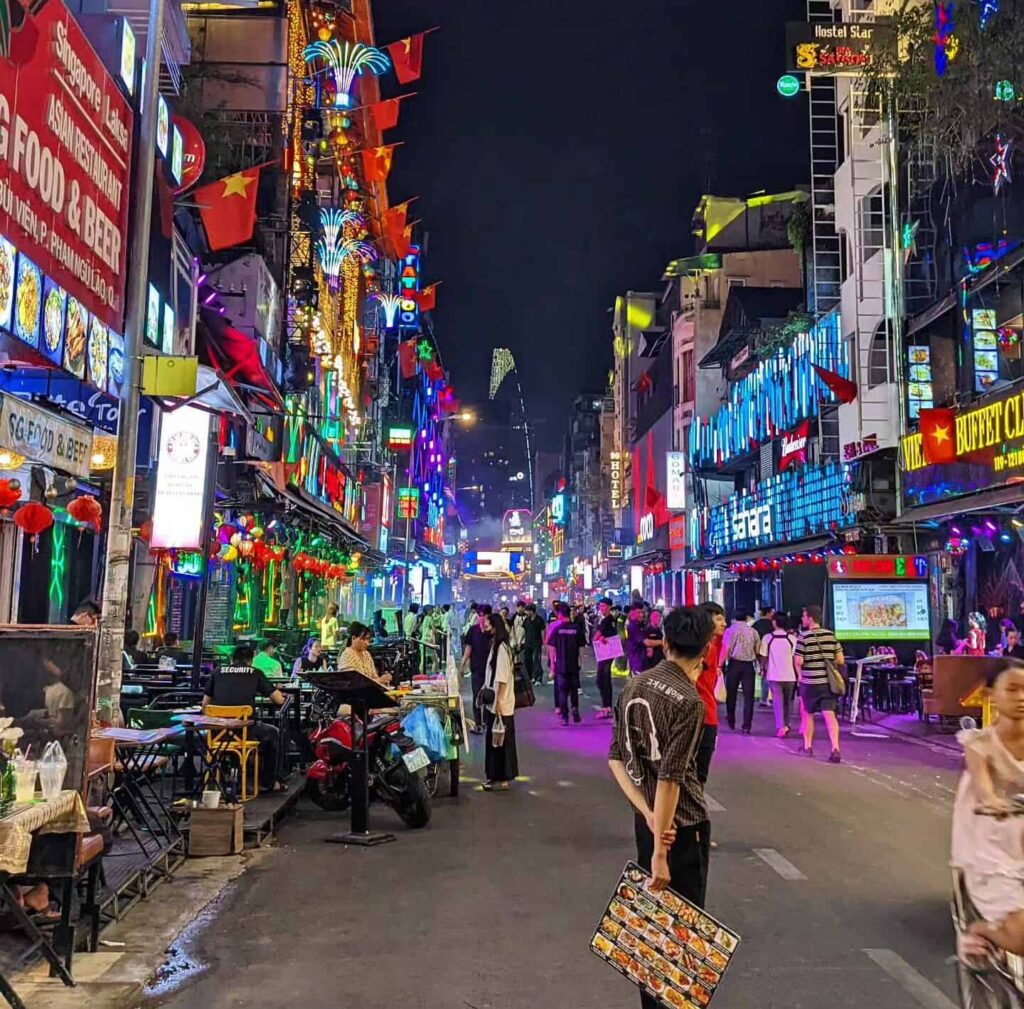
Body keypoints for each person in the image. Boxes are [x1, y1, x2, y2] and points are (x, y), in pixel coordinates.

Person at [608, 604, 714, 1006]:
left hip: (648, 822)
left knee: (653, 927)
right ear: (705, 649)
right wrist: (660, 853)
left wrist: (648, 815)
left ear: (665, 642)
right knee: (683, 933)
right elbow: (671, 779)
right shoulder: (690, 701)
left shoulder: (636, 685)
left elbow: (616, 759)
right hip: (681, 829)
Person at [950, 662, 1024, 957]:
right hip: (993, 843)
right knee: (1021, 937)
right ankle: (980, 931)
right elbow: (983, 787)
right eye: (1013, 689)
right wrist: (993, 802)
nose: (1021, 697)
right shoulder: (979, 742)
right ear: (992, 695)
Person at [203, 643, 287, 791]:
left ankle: (219, 777)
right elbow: (279, 700)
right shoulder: (255, 673)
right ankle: (270, 782)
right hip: (245, 732)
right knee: (274, 733)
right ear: (250, 660)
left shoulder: (217, 672)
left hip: (217, 733)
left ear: (232, 659)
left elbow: (205, 705)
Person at [794, 605, 845, 763]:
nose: (802, 619)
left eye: (804, 616)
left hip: (809, 682)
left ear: (810, 618)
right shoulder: (831, 636)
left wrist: (799, 674)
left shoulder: (804, 637)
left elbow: (799, 660)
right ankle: (835, 748)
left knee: (808, 715)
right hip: (827, 684)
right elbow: (840, 660)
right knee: (829, 715)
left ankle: (808, 746)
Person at [481, 610, 518, 791]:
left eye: (487, 624)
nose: (484, 627)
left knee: (498, 743)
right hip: (497, 704)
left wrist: (497, 707)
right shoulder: (497, 646)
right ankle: (500, 778)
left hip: (501, 706)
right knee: (500, 742)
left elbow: (501, 680)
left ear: (495, 627)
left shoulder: (502, 649)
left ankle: (497, 778)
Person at [695, 602, 725, 785]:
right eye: (719, 619)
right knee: (698, 774)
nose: (724, 624)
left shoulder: (712, 645)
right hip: (703, 716)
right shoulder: (707, 648)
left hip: (704, 713)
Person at [760, 612, 797, 738]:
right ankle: (787, 724)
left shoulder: (767, 638)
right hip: (791, 676)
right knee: (789, 702)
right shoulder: (792, 639)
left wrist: (762, 670)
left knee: (777, 702)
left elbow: (764, 657)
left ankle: (780, 726)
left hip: (774, 675)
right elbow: (796, 659)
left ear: (774, 622)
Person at [721, 611, 759, 733]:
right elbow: (757, 650)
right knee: (749, 697)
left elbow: (726, 649)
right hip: (748, 665)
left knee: (731, 694)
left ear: (734, 618)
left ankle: (731, 719)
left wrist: (720, 665)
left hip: (734, 664)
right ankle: (747, 725)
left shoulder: (730, 631)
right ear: (746, 618)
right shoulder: (753, 631)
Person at [546, 602, 584, 725]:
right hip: (573, 664)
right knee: (574, 689)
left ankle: (564, 717)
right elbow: (581, 647)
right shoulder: (576, 629)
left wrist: (552, 665)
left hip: (561, 665)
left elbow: (552, 648)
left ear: (561, 615)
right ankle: (575, 708)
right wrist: (580, 661)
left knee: (562, 691)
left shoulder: (557, 630)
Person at [460, 604, 492, 734]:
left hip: (490, 668)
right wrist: (462, 665)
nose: (482, 618)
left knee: (489, 696)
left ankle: (487, 722)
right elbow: (468, 649)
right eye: (480, 615)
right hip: (477, 668)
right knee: (476, 696)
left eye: (484, 615)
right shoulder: (473, 630)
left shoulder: (492, 631)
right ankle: (478, 723)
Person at [593, 597, 618, 719]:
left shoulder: (608, 620)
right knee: (603, 680)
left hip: (606, 653)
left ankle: (606, 708)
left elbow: (597, 636)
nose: (601, 609)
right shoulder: (608, 620)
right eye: (600, 606)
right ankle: (607, 707)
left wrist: (600, 638)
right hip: (605, 653)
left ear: (609, 607)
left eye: (603, 606)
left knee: (603, 680)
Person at [753, 607, 775, 706]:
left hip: (758, 651)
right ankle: (767, 697)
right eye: (773, 612)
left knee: (764, 673)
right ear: (769, 613)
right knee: (770, 674)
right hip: (771, 652)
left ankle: (763, 696)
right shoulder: (772, 624)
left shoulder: (756, 624)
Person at [521, 604, 546, 685]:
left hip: (537, 643)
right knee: (527, 659)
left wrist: (544, 642)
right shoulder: (526, 620)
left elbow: (543, 631)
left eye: (527, 611)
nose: (526, 612)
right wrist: (521, 641)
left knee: (536, 660)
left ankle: (538, 678)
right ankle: (531, 676)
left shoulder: (539, 620)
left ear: (531, 611)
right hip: (528, 643)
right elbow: (524, 631)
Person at [626, 602, 647, 675]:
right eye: (638, 612)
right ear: (632, 612)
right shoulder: (633, 626)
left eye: (642, 612)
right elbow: (645, 642)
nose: (641, 615)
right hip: (636, 662)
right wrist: (660, 642)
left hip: (641, 660)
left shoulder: (641, 625)